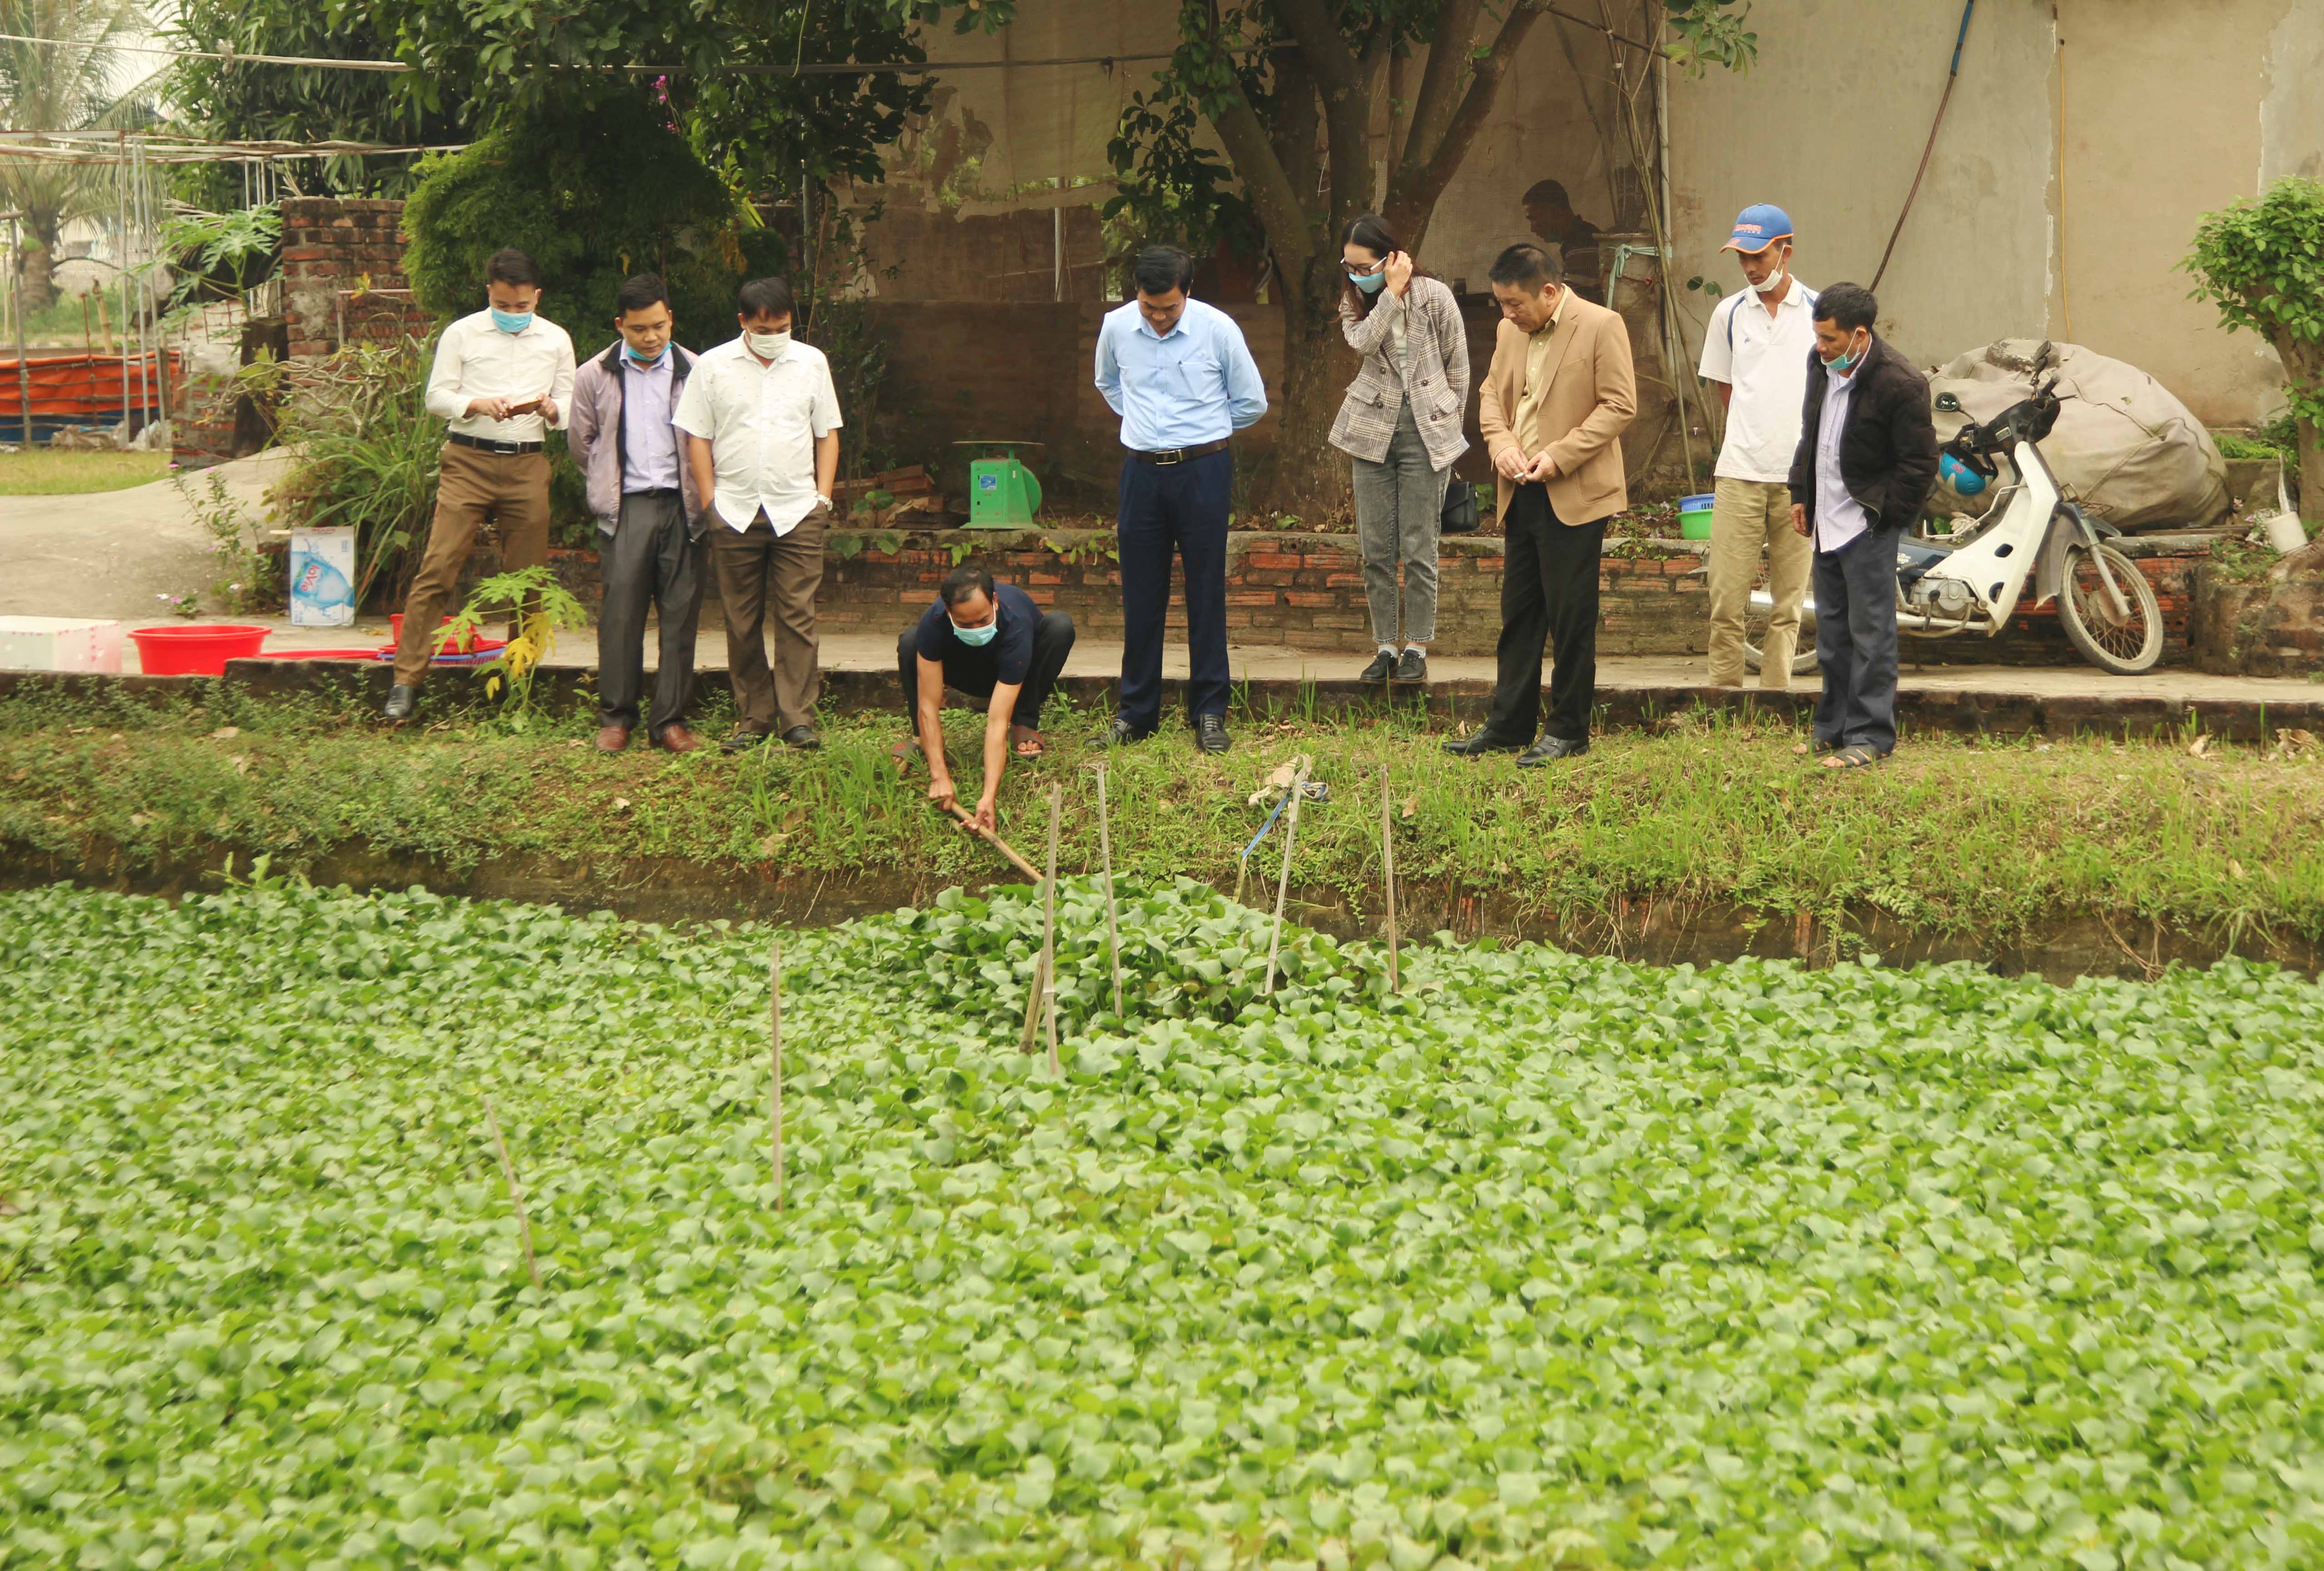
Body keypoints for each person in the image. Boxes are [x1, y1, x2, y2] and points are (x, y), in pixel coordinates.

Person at [1447, 242, 1636, 766]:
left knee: (1571, 617)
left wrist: (1559, 456)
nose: (1506, 314)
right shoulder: (1510, 331)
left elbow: (1620, 404)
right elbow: (1491, 394)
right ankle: (1509, 725)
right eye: (1501, 304)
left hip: (1575, 491)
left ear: (1549, 292)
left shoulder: (1601, 325)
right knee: (1520, 614)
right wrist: (1502, 446)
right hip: (1520, 488)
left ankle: (1568, 730)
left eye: (1514, 303)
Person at [381, 247, 575, 721]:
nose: (513, 313)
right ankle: (406, 681)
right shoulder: (462, 333)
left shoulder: (556, 340)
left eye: (522, 306)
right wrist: (475, 404)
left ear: (537, 297)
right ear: (489, 292)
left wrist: (551, 409)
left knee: (528, 578)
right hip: (467, 460)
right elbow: (436, 397)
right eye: (503, 305)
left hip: (527, 462)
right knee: (439, 565)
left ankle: (520, 678)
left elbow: (570, 405)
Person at [1093, 244, 1267, 755]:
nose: (1159, 317)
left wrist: (1205, 430)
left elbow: (1252, 402)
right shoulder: (1116, 327)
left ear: (1187, 292)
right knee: (1141, 594)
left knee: (1205, 590)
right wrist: (1142, 422)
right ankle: (1136, 714)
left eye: (1169, 308)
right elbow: (1107, 382)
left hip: (1203, 471)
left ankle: (1210, 712)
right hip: (1141, 472)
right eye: (1150, 307)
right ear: (1136, 294)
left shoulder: (1218, 329)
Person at [673, 276, 841, 754]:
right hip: (735, 509)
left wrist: (822, 499)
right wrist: (711, 503)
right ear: (743, 322)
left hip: (798, 510)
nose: (773, 337)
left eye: (782, 328)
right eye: (763, 329)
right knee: (740, 619)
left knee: (798, 616)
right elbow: (698, 437)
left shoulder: (811, 363)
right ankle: (754, 717)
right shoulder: (713, 366)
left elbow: (827, 433)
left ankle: (798, 719)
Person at [1786, 280, 1938, 770]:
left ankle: (1871, 735)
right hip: (1825, 520)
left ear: (1860, 335)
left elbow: (1919, 464)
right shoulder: (1820, 366)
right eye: (1818, 336)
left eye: (1830, 339)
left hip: (1866, 524)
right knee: (1832, 636)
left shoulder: (1901, 382)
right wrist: (1800, 493)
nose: (1820, 347)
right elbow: (1811, 435)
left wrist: (1886, 517)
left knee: (1871, 635)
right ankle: (1831, 729)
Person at [1329, 213, 1470, 685]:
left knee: (1418, 544)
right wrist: (1388, 294)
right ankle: (1385, 646)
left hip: (1426, 426)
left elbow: (1458, 367)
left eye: (1364, 267)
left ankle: (1417, 647)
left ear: (1391, 257)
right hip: (1371, 426)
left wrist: (1449, 427)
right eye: (1349, 267)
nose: (1356, 276)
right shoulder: (1355, 302)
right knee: (1375, 547)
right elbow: (1365, 344)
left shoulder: (1436, 296)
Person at [567, 273, 706, 753]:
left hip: (684, 506)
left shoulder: (697, 370)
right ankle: (616, 717)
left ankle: (669, 721)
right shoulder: (594, 374)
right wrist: (607, 484)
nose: (651, 338)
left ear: (671, 319)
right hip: (626, 508)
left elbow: (711, 438)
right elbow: (582, 444)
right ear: (620, 325)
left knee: (680, 615)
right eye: (639, 329)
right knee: (621, 616)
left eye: (658, 326)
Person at [1696, 204, 1818, 691]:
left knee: (1789, 605)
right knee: (1726, 600)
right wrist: (1753, 433)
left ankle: (1776, 698)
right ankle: (1724, 696)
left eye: (1759, 256)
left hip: (1799, 480)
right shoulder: (1728, 313)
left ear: (1786, 252)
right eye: (1742, 257)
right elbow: (1727, 390)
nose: (1749, 267)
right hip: (1740, 473)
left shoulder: (1819, 312)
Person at [894, 566, 1077, 833]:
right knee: (912, 642)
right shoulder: (934, 622)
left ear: (995, 602)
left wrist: (988, 797)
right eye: (965, 624)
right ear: (948, 612)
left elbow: (996, 721)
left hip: (1015, 672)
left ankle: (1024, 723)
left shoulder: (1015, 624)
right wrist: (939, 776)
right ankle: (922, 738)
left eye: (982, 620)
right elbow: (928, 705)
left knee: (1060, 626)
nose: (976, 629)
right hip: (963, 670)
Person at [1522, 180, 1603, 302]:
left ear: (1556, 212)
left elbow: (1570, 301)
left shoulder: (1582, 242)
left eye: (1535, 219)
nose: (1532, 229)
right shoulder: (1577, 238)